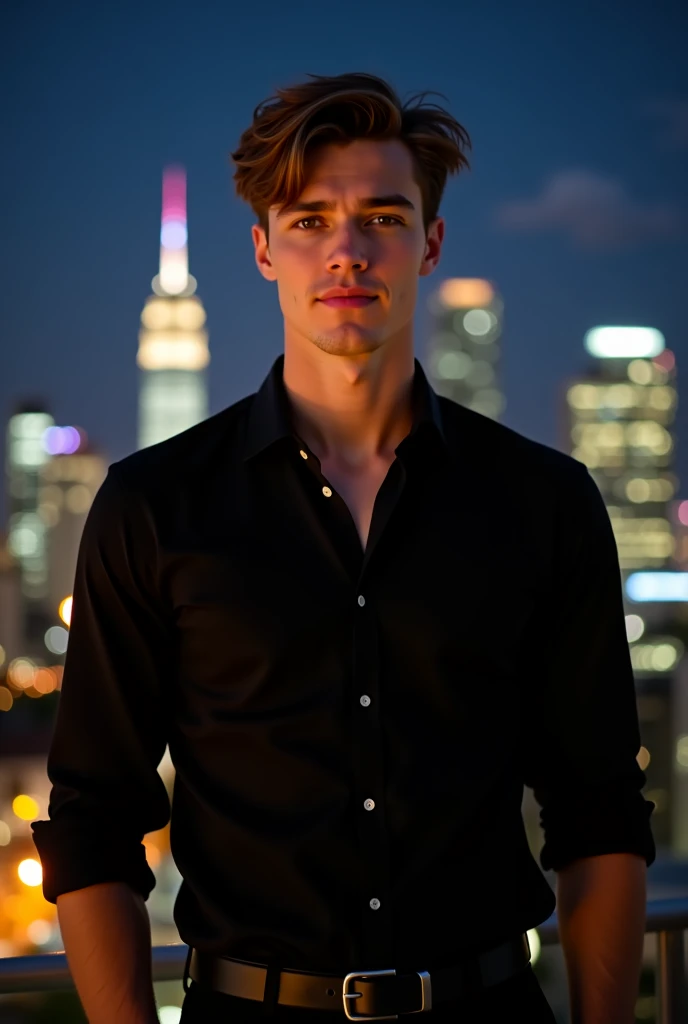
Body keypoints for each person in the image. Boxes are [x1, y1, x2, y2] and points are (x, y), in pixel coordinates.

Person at [32, 71, 655, 1024]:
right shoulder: (153, 507)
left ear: (430, 244)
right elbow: (93, 822)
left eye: (383, 218)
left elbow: (600, 813)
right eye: (311, 221)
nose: (349, 252)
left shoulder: (544, 502)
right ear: (263, 250)